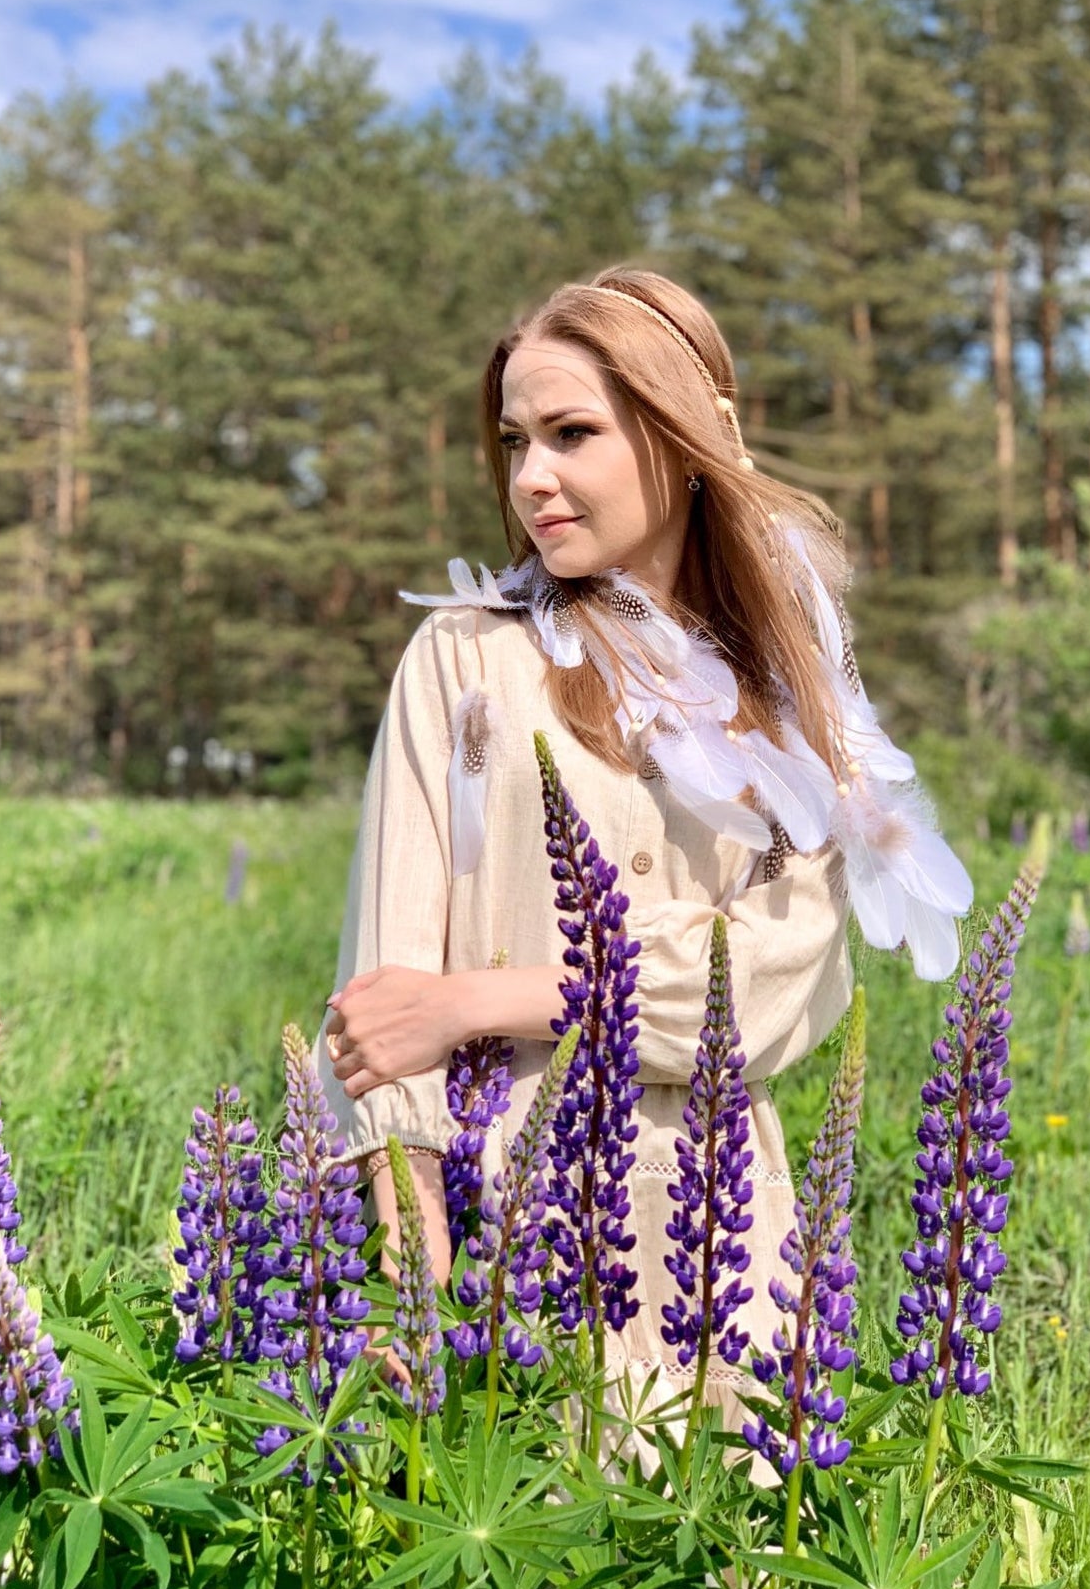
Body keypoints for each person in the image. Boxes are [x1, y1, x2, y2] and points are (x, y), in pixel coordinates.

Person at [315, 266, 971, 1433]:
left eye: (571, 433)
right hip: (492, 1235)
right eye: (515, 439)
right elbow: (380, 1018)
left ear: (676, 438)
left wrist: (478, 998)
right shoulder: (466, 661)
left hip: (714, 1244)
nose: (530, 477)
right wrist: (401, 1284)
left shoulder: (784, 697)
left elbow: (763, 989)